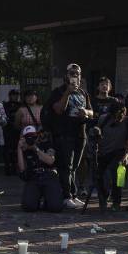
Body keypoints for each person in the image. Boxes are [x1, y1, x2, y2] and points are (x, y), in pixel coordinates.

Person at [46, 63, 93, 208]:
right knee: (66, 166)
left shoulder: (83, 93)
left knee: (74, 167)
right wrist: (68, 92)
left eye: (77, 73)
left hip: (80, 133)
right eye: (72, 73)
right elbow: (59, 110)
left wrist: (85, 112)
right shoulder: (58, 92)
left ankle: (73, 194)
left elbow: (92, 113)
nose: (75, 75)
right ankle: (66, 196)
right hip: (64, 134)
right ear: (66, 75)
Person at [94, 101, 128, 212]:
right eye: (114, 117)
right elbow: (97, 136)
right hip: (104, 152)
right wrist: (97, 135)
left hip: (120, 152)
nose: (116, 119)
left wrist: (126, 156)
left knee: (118, 174)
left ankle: (116, 201)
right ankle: (103, 198)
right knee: (101, 176)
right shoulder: (104, 119)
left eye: (119, 117)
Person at [17, 125, 62, 212]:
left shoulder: (47, 145)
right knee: (28, 207)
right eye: (28, 137)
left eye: (33, 136)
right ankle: (36, 199)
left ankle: (48, 200)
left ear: (37, 136)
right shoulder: (24, 149)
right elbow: (22, 169)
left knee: (56, 207)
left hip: (49, 175)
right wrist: (19, 148)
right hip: (33, 176)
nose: (31, 139)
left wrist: (35, 149)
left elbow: (50, 161)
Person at [2, 89, 22, 175]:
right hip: (8, 130)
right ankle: (7, 168)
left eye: (17, 95)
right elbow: (4, 116)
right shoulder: (5, 105)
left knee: (16, 149)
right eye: (13, 95)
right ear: (10, 96)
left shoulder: (21, 105)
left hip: (17, 130)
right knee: (7, 150)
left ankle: (15, 168)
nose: (15, 96)